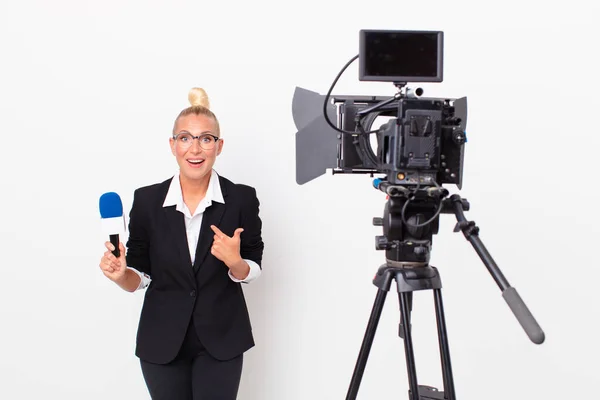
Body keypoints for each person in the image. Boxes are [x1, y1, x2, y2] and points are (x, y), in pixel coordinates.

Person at [98, 87, 264, 399]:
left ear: (219, 146)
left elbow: (254, 264)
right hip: (161, 340)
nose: (195, 148)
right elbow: (139, 275)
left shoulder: (241, 198)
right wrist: (122, 275)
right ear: (173, 145)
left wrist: (235, 262)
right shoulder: (147, 200)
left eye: (206, 138)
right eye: (185, 138)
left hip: (222, 338)